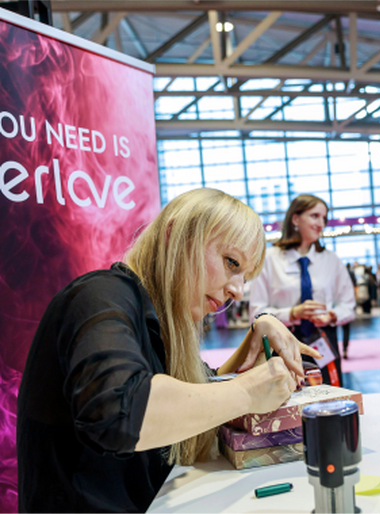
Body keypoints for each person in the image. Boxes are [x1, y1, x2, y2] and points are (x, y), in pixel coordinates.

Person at [16, 188, 321, 514]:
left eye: (244, 276)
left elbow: (198, 394)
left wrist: (259, 328)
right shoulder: (100, 294)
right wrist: (248, 391)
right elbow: (120, 412)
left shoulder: (155, 321)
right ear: (176, 235)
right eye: (231, 262)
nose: (237, 290)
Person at [249, 194, 356, 386]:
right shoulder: (270, 259)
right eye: (315, 216)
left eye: (324, 218)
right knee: (287, 398)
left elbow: (348, 305)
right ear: (296, 219)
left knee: (328, 398)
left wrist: (331, 316)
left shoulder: (331, 260)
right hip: (281, 341)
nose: (321, 223)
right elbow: (256, 313)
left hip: (323, 341)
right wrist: (291, 313)